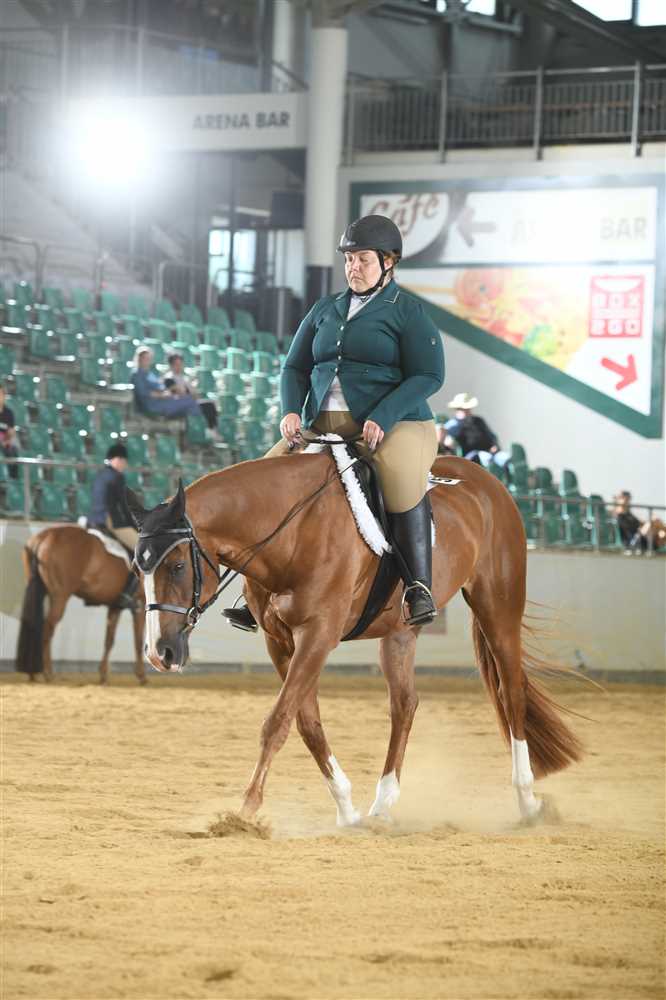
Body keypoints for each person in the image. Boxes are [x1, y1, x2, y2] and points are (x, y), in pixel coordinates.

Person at [224, 213, 445, 632]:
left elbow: (429, 375)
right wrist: (291, 410)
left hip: (396, 423)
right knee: (266, 479)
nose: (353, 268)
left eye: (363, 260)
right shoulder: (325, 309)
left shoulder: (408, 312)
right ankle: (254, 591)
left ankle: (418, 586)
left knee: (399, 480)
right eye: (348, 260)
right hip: (322, 423)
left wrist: (383, 414)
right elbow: (295, 367)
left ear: (388, 263)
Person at [88, 443, 139, 609]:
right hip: (109, 521)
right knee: (141, 550)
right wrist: (135, 526)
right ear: (114, 459)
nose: (124, 464)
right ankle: (127, 595)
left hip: (92, 520)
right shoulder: (117, 477)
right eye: (122, 460)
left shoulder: (99, 475)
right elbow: (123, 506)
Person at [131, 347, 201, 422]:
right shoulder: (137, 374)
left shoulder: (149, 373)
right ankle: (195, 426)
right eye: (145, 358)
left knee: (190, 400)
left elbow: (160, 387)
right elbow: (143, 392)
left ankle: (191, 426)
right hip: (152, 405)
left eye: (149, 358)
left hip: (162, 401)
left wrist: (170, 391)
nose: (147, 361)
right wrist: (162, 395)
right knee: (191, 402)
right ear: (139, 359)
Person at [444, 392, 509, 468]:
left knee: (505, 458)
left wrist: (495, 445)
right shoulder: (453, 425)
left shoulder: (478, 420)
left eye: (467, 409)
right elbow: (446, 440)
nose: (465, 411)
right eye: (462, 409)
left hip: (490, 451)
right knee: (487, 459)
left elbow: (491, 435)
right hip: (472, 456)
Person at [164, 351, 218, 432]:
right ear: (171, 365)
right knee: (208, 406)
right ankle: (210, 431)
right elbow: (181, 393)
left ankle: (211, 430)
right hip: (177, 406)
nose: (179, 367)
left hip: (189, 404)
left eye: (180, 364)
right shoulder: (168, 378)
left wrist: (190, 388)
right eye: (176, 364)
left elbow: (195, 396)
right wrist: (188, 388)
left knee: (210, 404)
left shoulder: (184, 378)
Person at [0, 383, 19, 479]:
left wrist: (7, 439)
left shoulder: (9, 413)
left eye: (1, 394)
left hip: (5, 441)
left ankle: (13, 479)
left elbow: (11, 431)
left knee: (13, 450)